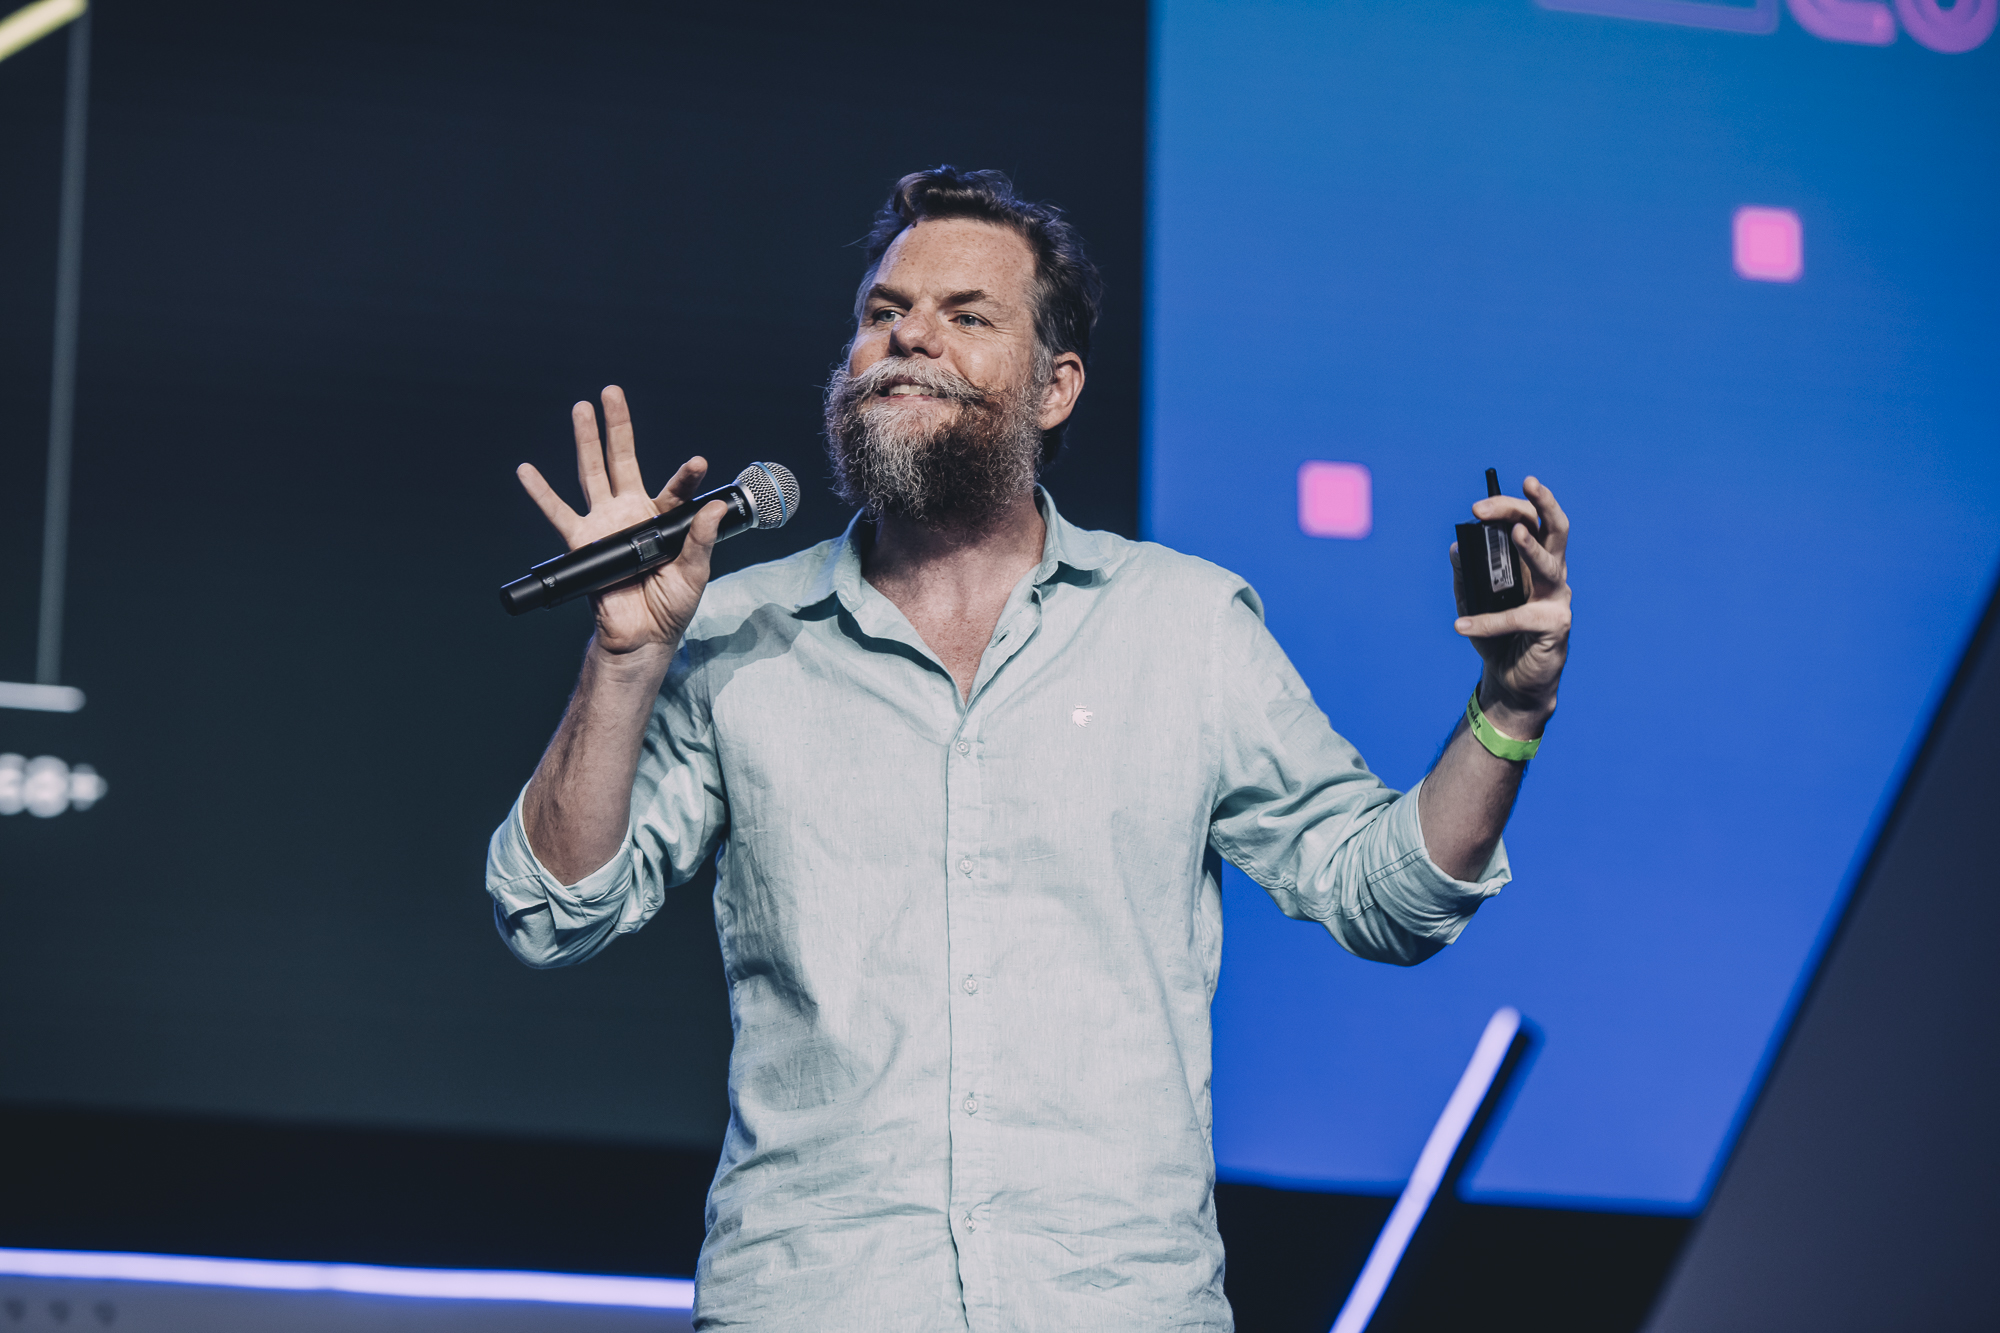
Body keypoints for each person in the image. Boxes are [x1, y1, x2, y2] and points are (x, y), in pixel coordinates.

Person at [487, 166, 1572, 1331]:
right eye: (883, 312)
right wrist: (624, 653)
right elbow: (552, 911)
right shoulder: (738, 633)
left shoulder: (1183, 625)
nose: (908, 338)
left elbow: (1387, 897)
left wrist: (1508, 705)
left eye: (965, 315)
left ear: (1054, 387)